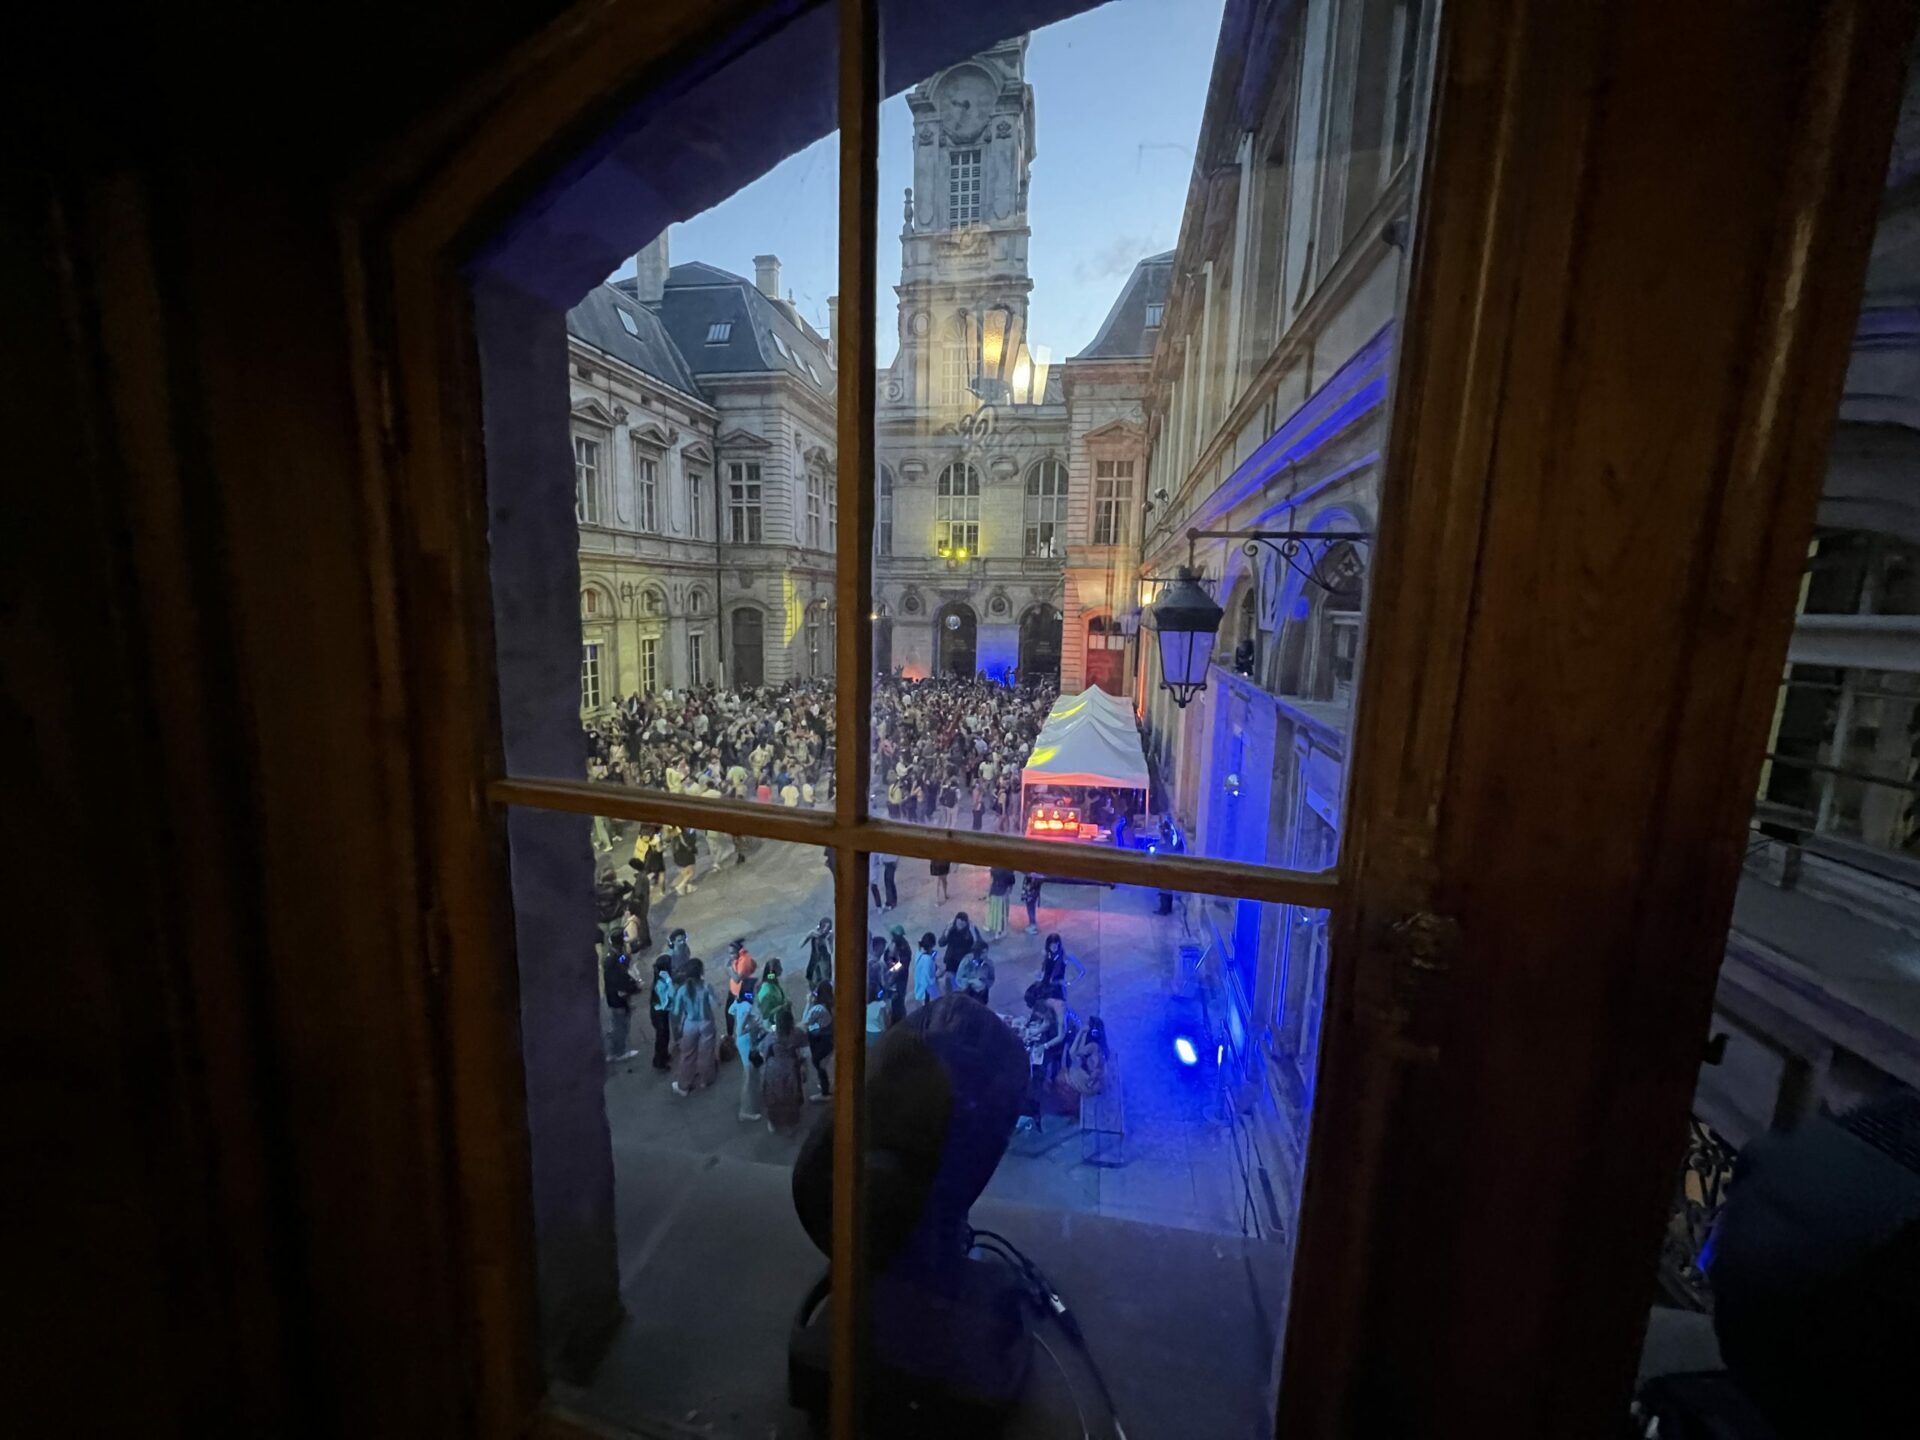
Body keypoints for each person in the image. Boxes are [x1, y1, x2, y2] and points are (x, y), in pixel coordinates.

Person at [668, 957, 719, 1095]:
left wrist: (677, 1026)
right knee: (706, 1053)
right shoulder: (706, 986)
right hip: (706, 1022)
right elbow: (717, 1003)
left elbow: (677, 1011)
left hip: (690, 1024)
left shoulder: (683, 990)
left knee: (687, 1055)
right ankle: (706, 1079)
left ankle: (683, 1085)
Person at [1015, 983, 1062, 1132]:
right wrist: (1029, 1034)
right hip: (1047, 1037)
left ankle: (1036, 1105)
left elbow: (1058, 1033)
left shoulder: (1057, 1008)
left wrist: (1045, 1046)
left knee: (1039, 1075)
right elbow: (1044, 1025)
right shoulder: (1043, 1008)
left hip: (1058, 1039)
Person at [760, 1007, 808, 1133]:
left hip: (773, 1069)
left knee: (774, 1097)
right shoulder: (796, 1034)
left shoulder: (771, 1037)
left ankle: (773, 1122)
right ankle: (791, 1124)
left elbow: (764, 1053)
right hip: (791, 1068)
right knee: (791, 1097)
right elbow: (805, 1050)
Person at [729, 983, 766, 1121]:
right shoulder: (747, 1006)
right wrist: (751, 1026)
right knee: (749, 1074)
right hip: (746, 1042)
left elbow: (731, 1011)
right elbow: (739, 1030)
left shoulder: (740, 1002)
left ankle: (753, 1100)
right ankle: (745, 1110)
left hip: (745, 1041)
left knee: (752, 1071)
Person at [601, 943, 642, 1061]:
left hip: (611, 1002)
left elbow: (623, 958)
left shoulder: (608, 972)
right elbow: (626, 987)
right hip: (619, 1004)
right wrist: (635, 988)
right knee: (621, 1028)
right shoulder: (618, 975)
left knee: (615, 1026)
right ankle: (620, 1052)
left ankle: (612, 1051)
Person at [802, 980, 834, 1100]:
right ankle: (824, 1086)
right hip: (828, 1040)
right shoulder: (829, 1005)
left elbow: (805, 1021)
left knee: (819, 1065)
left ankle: (825, 1093)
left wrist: (807, 1003)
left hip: (819, 1042)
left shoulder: (818, 1009)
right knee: (821, 1065)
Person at [1064, 1014, 1109, 1097]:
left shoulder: (1094, 1048)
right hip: (1087, 1080)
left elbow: (1072, 1053)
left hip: (1084, 1082)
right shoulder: (1101, 1048)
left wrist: (1081, 1032)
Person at [647, 954, 675, 1071]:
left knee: (665, 1036)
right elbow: (670, 996)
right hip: (659, 1014)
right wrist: (669, 981)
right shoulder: (661, 984)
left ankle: (664, 1055)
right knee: (661, 1038)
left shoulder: (659, 980)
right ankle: (659, 1061)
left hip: (661, 1012)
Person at [725, 938, 756, 1038]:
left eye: (732, 953)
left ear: (739, 951)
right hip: (735, 993)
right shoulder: (738, 959)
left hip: (742, 995)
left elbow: (737, 979)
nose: (730, 956)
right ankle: (731, 1035)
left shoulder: (744, 961)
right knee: (729, 1012)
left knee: (742, 1017)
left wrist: (728, 969)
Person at [940, 911, 980, 978]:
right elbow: (941, 943)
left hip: (964, 961)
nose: (960, 926)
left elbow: (978, 946)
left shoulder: (971, 930)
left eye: (962, 924)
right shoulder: (951, 928)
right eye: (958, 923)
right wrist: (946, 931)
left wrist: (973, 933)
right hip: (951, 960)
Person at [956, 941, 995, 1007]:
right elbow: (959, 979)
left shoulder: (989, 963)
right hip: (969, 992)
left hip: (982, 993)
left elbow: (991, 978)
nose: (985, 954)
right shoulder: (967, 961)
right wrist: (971, 981)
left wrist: (985, 984)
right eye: (983, 952)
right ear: (977, 952)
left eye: (986, 952)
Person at [910, 931, 941, 1009]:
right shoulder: (928, 960)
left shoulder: (919, 952)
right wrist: (938, 975)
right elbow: (928, 978)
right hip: (925, 992)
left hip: (919, 986)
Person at [755, 957, 789, 1026]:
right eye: (779, 967)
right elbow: (765, 1014)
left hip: (781, 1019)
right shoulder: (767, 992)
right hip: (773, 1025)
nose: (782, 969)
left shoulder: (773, 981)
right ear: (773, 970)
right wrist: (782, 1007)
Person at [804, 917, 834, 989]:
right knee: (811, 977)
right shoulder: (814, 933)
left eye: (828, 928)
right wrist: (808, 936)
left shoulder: (830, 935)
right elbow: (800, 945)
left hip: (824, 961)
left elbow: (831, 951)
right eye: (824, 927)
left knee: (825, 980)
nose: (825, 930)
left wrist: (828, 942)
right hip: (814, 959)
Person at [985, 866, 1016, 935]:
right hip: (1002, 891)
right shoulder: (1008, 870)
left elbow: (992, 879)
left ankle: (993, 925)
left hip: (996, 890)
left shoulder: (995, 869)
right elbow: (1011, 881)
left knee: (994, 910)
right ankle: (998, 928)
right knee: (1001, 910)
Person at [669, 826, 699, 895]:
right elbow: (690, 841)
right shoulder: (685, 831)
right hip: (685, 855)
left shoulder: (674, 834)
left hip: (677, 856)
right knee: (691, 871)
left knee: (686, 871)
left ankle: (688, 887)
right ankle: (680, 886)